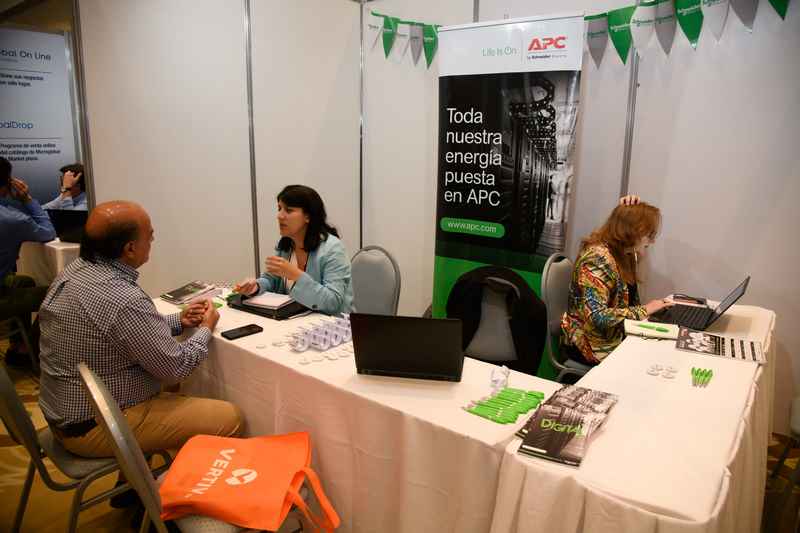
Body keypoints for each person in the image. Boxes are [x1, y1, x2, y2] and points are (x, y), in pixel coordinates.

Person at [38, 200, 241, 464]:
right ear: (130, 248)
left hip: (66, 410)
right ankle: (177, 485)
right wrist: (206, 328)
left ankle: (146, 477)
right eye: (150, 236)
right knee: (230, 417)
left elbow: (122, 332)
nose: (153, 241)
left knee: (175, 385)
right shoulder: (122, 297)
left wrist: (179, 321)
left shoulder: (75, 272)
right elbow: (176, 367)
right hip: (95, 425)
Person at [561, 195, 673, 364]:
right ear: (633, 231)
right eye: (649, 235)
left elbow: (627, 302)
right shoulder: (597, 258)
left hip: (612, 335)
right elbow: (596, 316)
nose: (653, 241)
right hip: (589, 343)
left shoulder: (625, 254)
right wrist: (645, 310)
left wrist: (652, 313)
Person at [235, 185, 353, 315]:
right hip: (294, 321)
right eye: (279, 209)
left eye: (289, 210)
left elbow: (332, 302)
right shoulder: (285, 243)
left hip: (330, 324)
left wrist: (296, 275)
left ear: (308, 216)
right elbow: (271, 280)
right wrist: (255, 287)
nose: (279, 216)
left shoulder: (333, 249)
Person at [0, 156, 57, 366]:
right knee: (56, 292)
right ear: (7, 184)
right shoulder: (13, 220)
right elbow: (47, 232)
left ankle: (19, 346)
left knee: (24, 282)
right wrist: (27, 199)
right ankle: (30, 349)